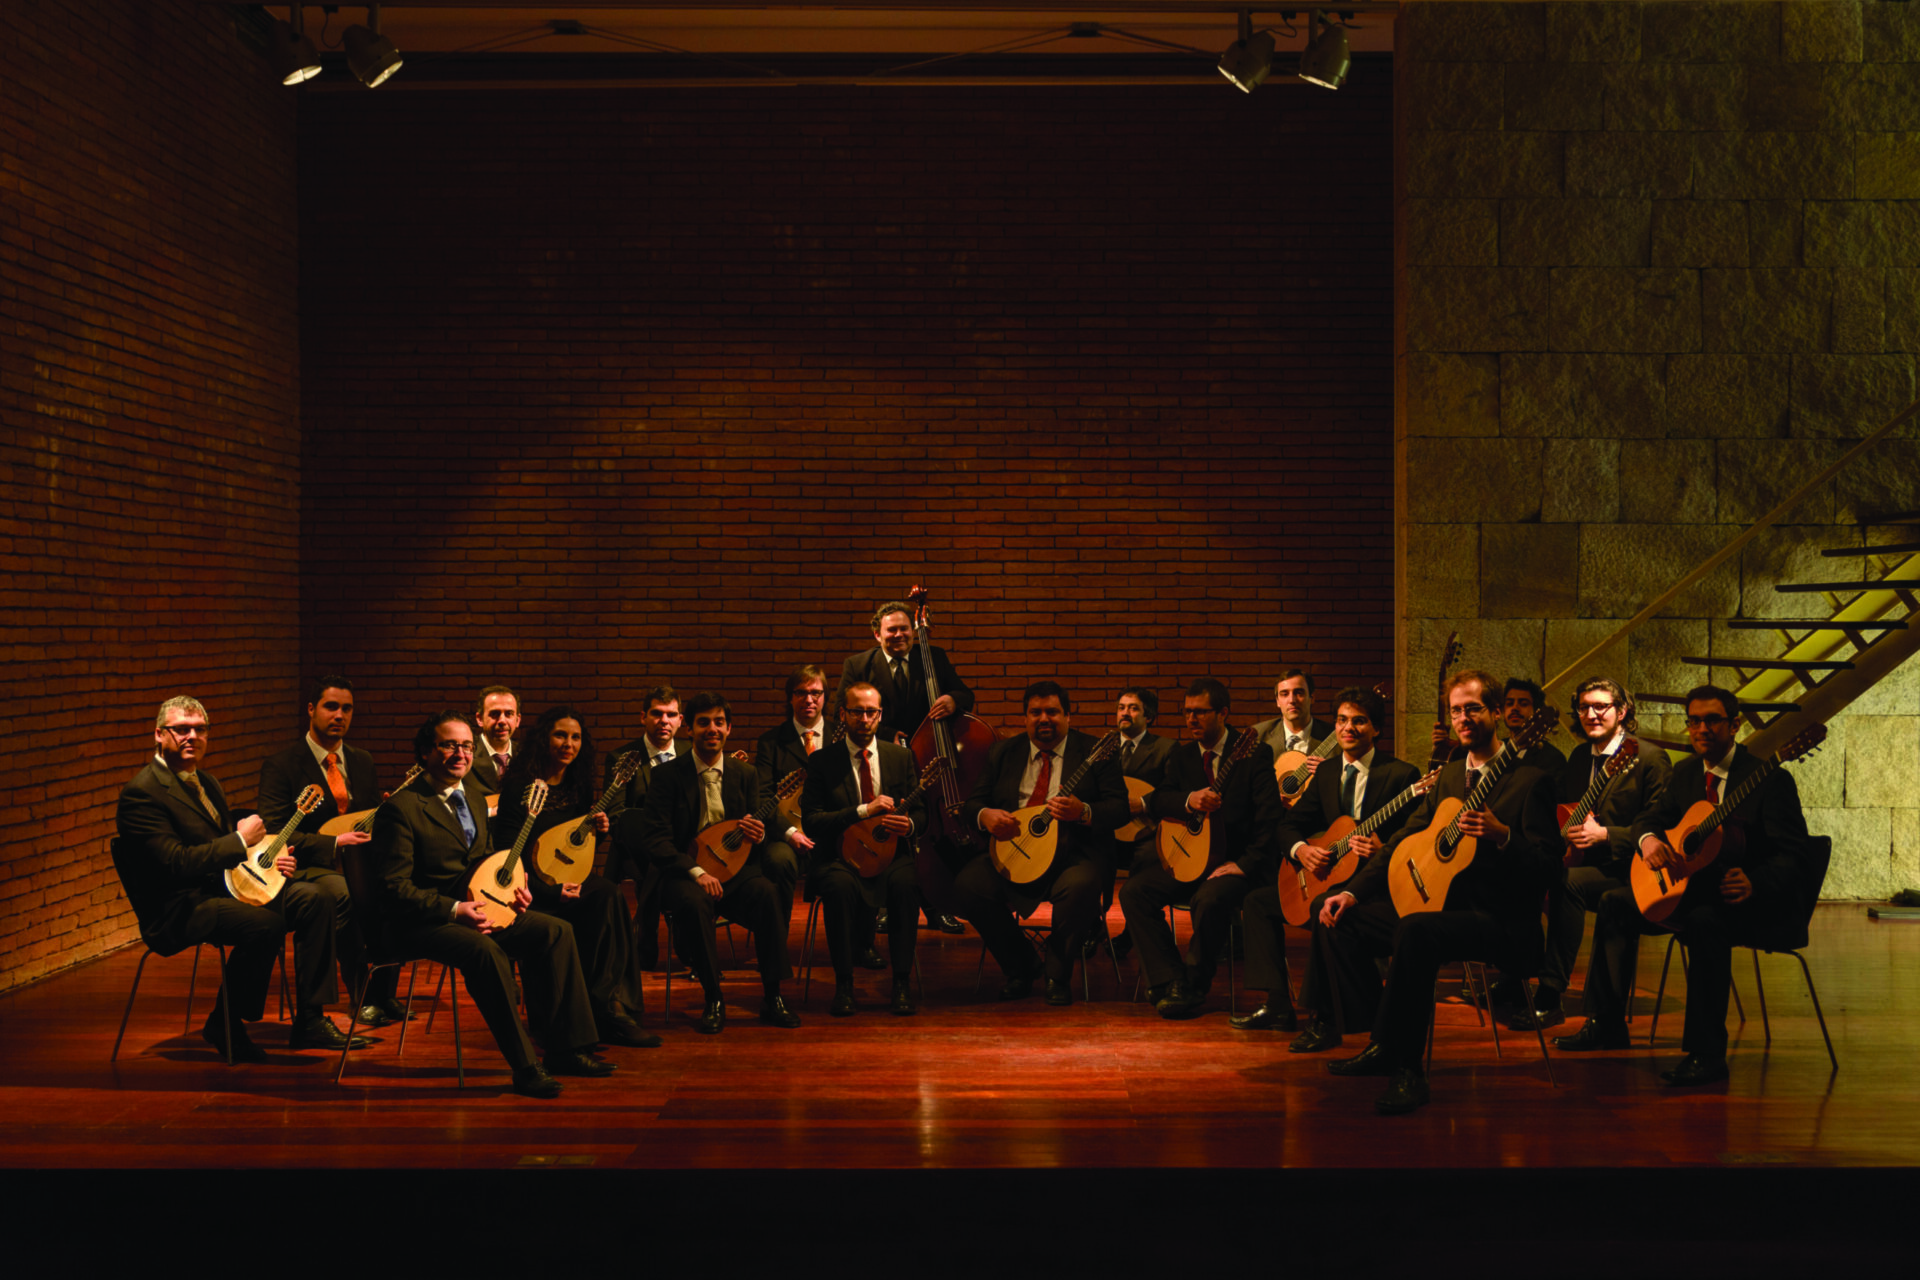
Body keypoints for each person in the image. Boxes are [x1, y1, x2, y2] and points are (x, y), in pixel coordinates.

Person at [1290, 669, 1559, 1115]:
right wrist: (1352, 893)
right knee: (1334, 914)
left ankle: (1408, 1069)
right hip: (1440, 908)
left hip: (1501, 920)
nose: (1463, 718)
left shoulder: (1530, 781)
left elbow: (1551, 871)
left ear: (1496, 713)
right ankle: (1382, 1038)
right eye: (1456, 710)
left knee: (1416, 932)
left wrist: (1504, 837)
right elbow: (1401, 841)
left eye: (1473, 708)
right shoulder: (1451, 776)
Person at [1555, 685, 1813, 1087]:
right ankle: (1606, 1023)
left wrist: (1755, 880)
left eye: (1712, 720)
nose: (1701, 729)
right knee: (1615, 903)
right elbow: (1649, 820)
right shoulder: (1688, 772)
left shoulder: (1768, 779)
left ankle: (1706, 1054)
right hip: (1691, 886)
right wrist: (1649, 841)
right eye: (1694, 721)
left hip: (1744, 900)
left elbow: (1797, 855)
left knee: (1705, 923)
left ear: (1735, 724)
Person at [371, 710, 614, 1099]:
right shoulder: (401, 808)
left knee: (555, 930)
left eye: (466, 745)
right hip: (422, 919)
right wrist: (455, 911)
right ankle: (525, 1066)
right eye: (449, 744)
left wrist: (514, 890)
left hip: (479, 908)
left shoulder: (473, 799)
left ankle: (567, 1049)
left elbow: (487, 862)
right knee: (485, 952)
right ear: (424, 752)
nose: (460, 753)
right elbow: (392, 889)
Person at [116, 695, 370, 1063]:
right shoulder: (143, 793)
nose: (192, 737)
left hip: (221, 888)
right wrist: (239, 841)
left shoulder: (207, 782)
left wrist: (271, 863)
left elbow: (225, 852)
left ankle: (311, 1018)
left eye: (200, 730)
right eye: (181, 730)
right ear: (158, 735)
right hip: (178, 905)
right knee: (264, 925)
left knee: (316, 898)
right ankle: (226, 1022)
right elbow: (174, 863)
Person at [1234, 686, 1422, 1033]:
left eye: (1359, 722)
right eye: (1341, 720)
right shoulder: (1326, 771)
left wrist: (1383, 851)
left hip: (1371, 887)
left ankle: (1322, 1018)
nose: (1348, 728)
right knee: (1257, 902)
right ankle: (1276, 1004)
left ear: (1376, 729)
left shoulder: (1402, 776)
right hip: (1328, 875)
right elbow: (1288, 825)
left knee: (1325, 909)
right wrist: (1301, 850)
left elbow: (1414, 843)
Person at [1509, 677, 1671, 1031]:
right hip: (1584, 863)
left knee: (1568, 883)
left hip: (1632, 869)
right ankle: (1513, 977)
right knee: (1522, 873)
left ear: (1622, 711)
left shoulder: (1649, 758)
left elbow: (1664, 827)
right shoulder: (1581, 757)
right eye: (1584, 707)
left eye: (1601, 706)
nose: (1592, 714)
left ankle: (1550, 996)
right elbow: (1568, 811)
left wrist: (1607, 835)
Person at [492, 705, 658, 1048]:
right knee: (591, 905)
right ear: (543, 739)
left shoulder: (577, 783)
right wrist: (551, 894)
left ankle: (611, 1006)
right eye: (560, 735)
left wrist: (596, 828)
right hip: (526, 886)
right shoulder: (520, 788)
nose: (569, 743)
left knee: (610, 895)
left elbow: (572, 845)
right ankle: (588, 1013)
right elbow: (509, 856)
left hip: (564, 877)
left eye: (576, 737)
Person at [952, 681, 1128, 1006]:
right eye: (1035, 712)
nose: (1043, 719)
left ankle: (1057, 975)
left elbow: (1120, 809)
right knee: (967, 885)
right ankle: (1021, 967)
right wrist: (985, 816)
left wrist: (1084, 811)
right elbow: (972, 805)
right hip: (1013, 851)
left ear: (1068, 716)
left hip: (1073, 855)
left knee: (1082, 886)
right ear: (1024, 718)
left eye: (1052, 712)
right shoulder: (1003, 752)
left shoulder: (1095, 751)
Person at [637, 692, 801, 1034]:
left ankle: (773, 995)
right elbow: (656, 840)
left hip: (734, 870)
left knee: (768, 893)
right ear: (688, 729)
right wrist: (696, 872)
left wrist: (757, 835)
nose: (712, 729)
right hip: (684, 871)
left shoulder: (745, 774)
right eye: (703, 722)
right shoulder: (668, 776)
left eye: (719, 722)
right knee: (696, 903)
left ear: (730, 729)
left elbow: (755, 831)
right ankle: (713, 996)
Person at [1125, 677, 1283, 1019]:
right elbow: (1160, 799)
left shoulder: (1253, 752)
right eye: (1187, 712)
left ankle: (1195, 984)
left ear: (1223, 713)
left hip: (1236, 863)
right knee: (1134, 892)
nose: (1191, 719)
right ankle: (1169, 977)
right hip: (1191, 858)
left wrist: (1245, 864)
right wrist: (1188, 799)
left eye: (1200, 712)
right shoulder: (1182, 757)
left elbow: (1270, 819)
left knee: (1209, 899)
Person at [256, 674, 404, 1028]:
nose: (340, 715)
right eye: (331, 707)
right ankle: (362, 995)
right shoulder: (281, 765)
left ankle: (384, 993)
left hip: (360, 864)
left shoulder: (362, 760)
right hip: (305, 867)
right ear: (311, 709)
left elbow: (366, 818)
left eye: (347, 709)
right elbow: (274, 835)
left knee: (399, 889)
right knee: (344, 894)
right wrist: (334, 843)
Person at [835, 599, 972, 934]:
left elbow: (964, 693)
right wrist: (884, 732)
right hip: (881, 757)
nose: (899, 635)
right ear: (877, 633)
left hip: (929, 760)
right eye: (891, 630)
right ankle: (885, 904)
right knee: (888, 830)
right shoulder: (858, 664)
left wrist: (953, 700)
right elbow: (843, 710)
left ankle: (936, 904)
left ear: (914, 630)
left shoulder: (934, 656)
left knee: (926, 832)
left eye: (904, 629)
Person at [799, 682, 927, 1016]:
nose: (864, 718)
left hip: (890, 856)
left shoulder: (900, 757)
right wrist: (862, 811)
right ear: (843, 714)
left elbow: (922, 812)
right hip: (839, 856)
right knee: (838, 887)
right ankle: (844, 984)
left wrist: (910, 825)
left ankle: (901, 982)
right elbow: (811, 820)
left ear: (880, 715)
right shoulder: (823, 762)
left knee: (906, 885)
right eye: (857, 711)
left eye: (871, 712)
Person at [606, 685, 685, 971]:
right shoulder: (622, 757)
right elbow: (615, 815)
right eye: (657, 714)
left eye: (671, 714)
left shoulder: (691, 753)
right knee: (651, 842)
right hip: (638, 849)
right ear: (643, 717)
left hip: (685, 846)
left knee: (662, 862)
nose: (664, 720)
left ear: (680, 720)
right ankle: (686, 944)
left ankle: (645, 930)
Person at [1099, 686, 1174, 961]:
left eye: (1133, 708)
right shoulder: (1101, 749)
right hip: (1110, 831)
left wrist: (1142, 803)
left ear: (1149, 716)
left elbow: (1171, 790)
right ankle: (1093, 927)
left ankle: (1132, 933)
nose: (1125, 713)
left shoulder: (1166, 748)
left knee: (1146, 857)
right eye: (1121, 707)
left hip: (1147, 831)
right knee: (1088, 855)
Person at [749, 664, 821, 952]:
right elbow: (762, 796)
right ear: (790, 698)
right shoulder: (771, 741)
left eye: (816, 693)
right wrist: (790, 833)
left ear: (825, 697)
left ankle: (861, 943)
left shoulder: (841, 739)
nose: (809, 699)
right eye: (801, 693)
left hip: (829, 832)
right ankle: (775, 944)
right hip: (786, 837)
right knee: (777, 861)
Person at [1250, 669, 1334, 760]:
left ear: (1312, 698)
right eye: (1285, 694)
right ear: (1277, 701)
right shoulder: (1257, 736)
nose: (1292, 700)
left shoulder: (1333, 738)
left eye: (1299, 693)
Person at [470, 685, 521, 794]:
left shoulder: (528, 757)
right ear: (479, 719)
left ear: (517, 720)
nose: (502, 720)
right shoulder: (465, 754)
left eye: (509, 714)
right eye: (494, 714)